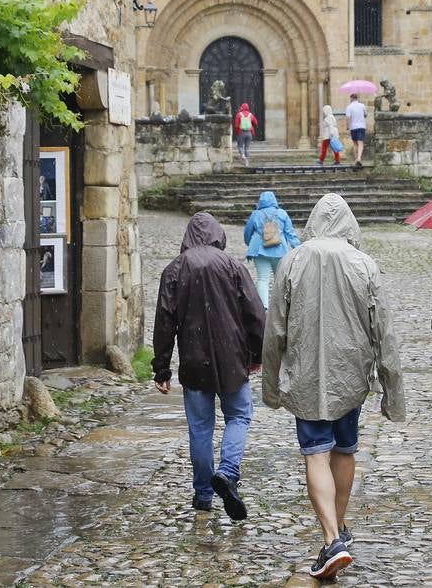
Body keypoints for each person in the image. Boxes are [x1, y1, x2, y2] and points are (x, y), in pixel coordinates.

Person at [262, 194, 405, 580]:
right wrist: (393, 393)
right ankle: (338, 530)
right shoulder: (363, 264)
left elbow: (275, 328)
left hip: (306, 374)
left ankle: (331, 539)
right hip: (351, 375)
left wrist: (271, 386)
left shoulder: (292, 260)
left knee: (315, 454)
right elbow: (383, 332)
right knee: (344, 450)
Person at [152, 212, 266, 520]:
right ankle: (227, 472)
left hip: (194, 359)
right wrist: (258, 355)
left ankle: (203, 493)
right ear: (218, 234)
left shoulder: (174, 270)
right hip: (232, 359)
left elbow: (164, 322)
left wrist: (161, 367)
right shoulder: (232, 267)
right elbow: (255, 314)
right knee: (239, 416)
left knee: (200, 429)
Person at [242, 191, 300, 309]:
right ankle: (280, 306)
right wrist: (297, 247)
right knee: (279, 279)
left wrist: (250, 244)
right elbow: (290, 233)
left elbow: (247, 232)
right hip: (280, 251)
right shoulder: (282, 213)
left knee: (263, 279)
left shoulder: (256, 214)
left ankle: (264, 307)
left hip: (260, 250)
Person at [344, 94, 368, 166]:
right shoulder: (362, 105)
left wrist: (348, 127)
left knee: (355, 143)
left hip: (353, 127)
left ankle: (356, 159)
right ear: (357, 98)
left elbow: (348, 118)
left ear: (351, 98)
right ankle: (359, 158)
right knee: (360, 143)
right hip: (361, 126)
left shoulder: (349, 107)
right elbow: (366, 115)